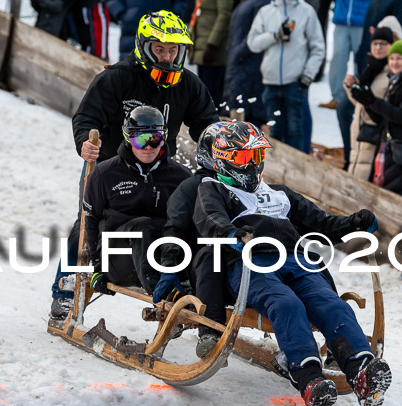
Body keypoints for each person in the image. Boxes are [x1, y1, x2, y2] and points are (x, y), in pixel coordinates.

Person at [191, 122, 391, 406]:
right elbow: (209, 219)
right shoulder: (215, 188)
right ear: (223, 160)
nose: (254, 165)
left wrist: (352, 224)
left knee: (329, 303)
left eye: (258, 156)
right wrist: (232, 233)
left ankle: (361, 368)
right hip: (249, 263)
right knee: (286, 304)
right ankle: (309, 377)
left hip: (296, 260)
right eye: (246, 158)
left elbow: (321, 222)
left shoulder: (279, 193)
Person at [49, 10, 219, 319]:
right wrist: (86, 144)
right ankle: (65, 286)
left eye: (173, 50)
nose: (167, 56)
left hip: (160, 168)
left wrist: (218, 149)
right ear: (143, 45)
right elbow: (86, 117)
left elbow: (206, 124)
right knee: (86, 224)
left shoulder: (188, 84)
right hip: (110, 168)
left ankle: (173, 284)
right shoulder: (117, 77)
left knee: (171, 224)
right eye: (159, 49)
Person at [154, 121, 272, 357]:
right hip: (204, 271)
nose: (247, 163)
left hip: (245, 265)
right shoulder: (192, 187)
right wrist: (170, 270)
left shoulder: (250, 187)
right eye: (238, 156)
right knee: (212, 254)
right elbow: (175, 230)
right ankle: (210, 332)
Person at [81, 106, 191, 300]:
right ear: (127, 138)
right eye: (140, 140)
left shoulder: (180, 176)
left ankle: (189, 289)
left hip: (162, 255)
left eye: (154, 139)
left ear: (164, 137)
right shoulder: (105, 173)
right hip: (118, 258)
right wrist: (97, 266)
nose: (148, 147)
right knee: (142, 227)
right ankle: (164, 296)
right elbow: (91, 221)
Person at [351, 40, 402, 198]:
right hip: (392, 149)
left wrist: (373, 101)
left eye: (400, 58)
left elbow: (401, 116)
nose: (395, 62)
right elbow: (386, 120)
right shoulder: (396, 80)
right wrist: (367, 104)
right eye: (392, 58)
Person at [247, 0, 325, 153]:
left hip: (295, 83)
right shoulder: (266, 11)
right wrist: (274, 35)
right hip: (270, 82)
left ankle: (298, 173)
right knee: (274, 134)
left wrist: (308, 75)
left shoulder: (306, 11)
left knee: (296, 133)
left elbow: (318, 47)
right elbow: (252, 43)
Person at [343, 26, 394, 180]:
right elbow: (361, 103)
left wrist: (369, 101)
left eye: (383, 44)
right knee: (355, 169)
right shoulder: (370, 69)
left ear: (391, 46)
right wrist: (350, 87)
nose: (379, 48)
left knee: (365, 176)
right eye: (375, 44)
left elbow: (384, 108)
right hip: (358, 129)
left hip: (374, 132)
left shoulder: (391, 74)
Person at [222, 0, 270, 125]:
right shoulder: (247, 4)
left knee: (248, 110)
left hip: (248, 64)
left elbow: (256, 35)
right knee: (237, 106)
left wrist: (239, 53)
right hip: (239, 63)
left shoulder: (260, 5)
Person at [319, 0, 371, 111]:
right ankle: (337, 97)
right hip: (341, 19)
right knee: (338, 59)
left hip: (362, 20)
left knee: (361, 60)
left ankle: (360, 97)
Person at [105, 1, 189, 60]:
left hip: (164, 29)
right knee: (129, 71)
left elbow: (181, 2)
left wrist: (173, 15)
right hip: (132, 27)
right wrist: (120, 12)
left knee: (162, 69)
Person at [189, 0, 233, 111]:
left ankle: (215, 124)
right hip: (201, 45)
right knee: (203, 91)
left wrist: (212, 44)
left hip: (212, 48)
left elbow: (224, 15)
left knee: (211, 93)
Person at [354, 0, 402, 74]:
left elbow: (397, 30)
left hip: (385, 64)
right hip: (368, 53)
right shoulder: (373, 2)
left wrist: (379, 32)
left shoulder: (397, 2)